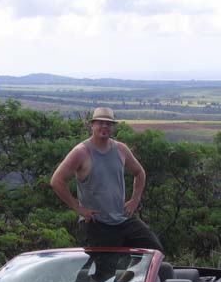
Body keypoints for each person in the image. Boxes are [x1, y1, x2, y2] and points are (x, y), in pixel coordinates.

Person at [51, 107, 163, 251]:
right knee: (106, 264)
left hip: (122, 219)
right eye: (100, 122)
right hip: (97, 223)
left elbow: (139, 172)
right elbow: (57, 180)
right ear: (92, 125)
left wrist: (135, 200)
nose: (104, 126)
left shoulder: (121, 149)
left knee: (154, 251)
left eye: (108, 123)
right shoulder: (81, 152)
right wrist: (78, 208)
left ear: (113, 127)